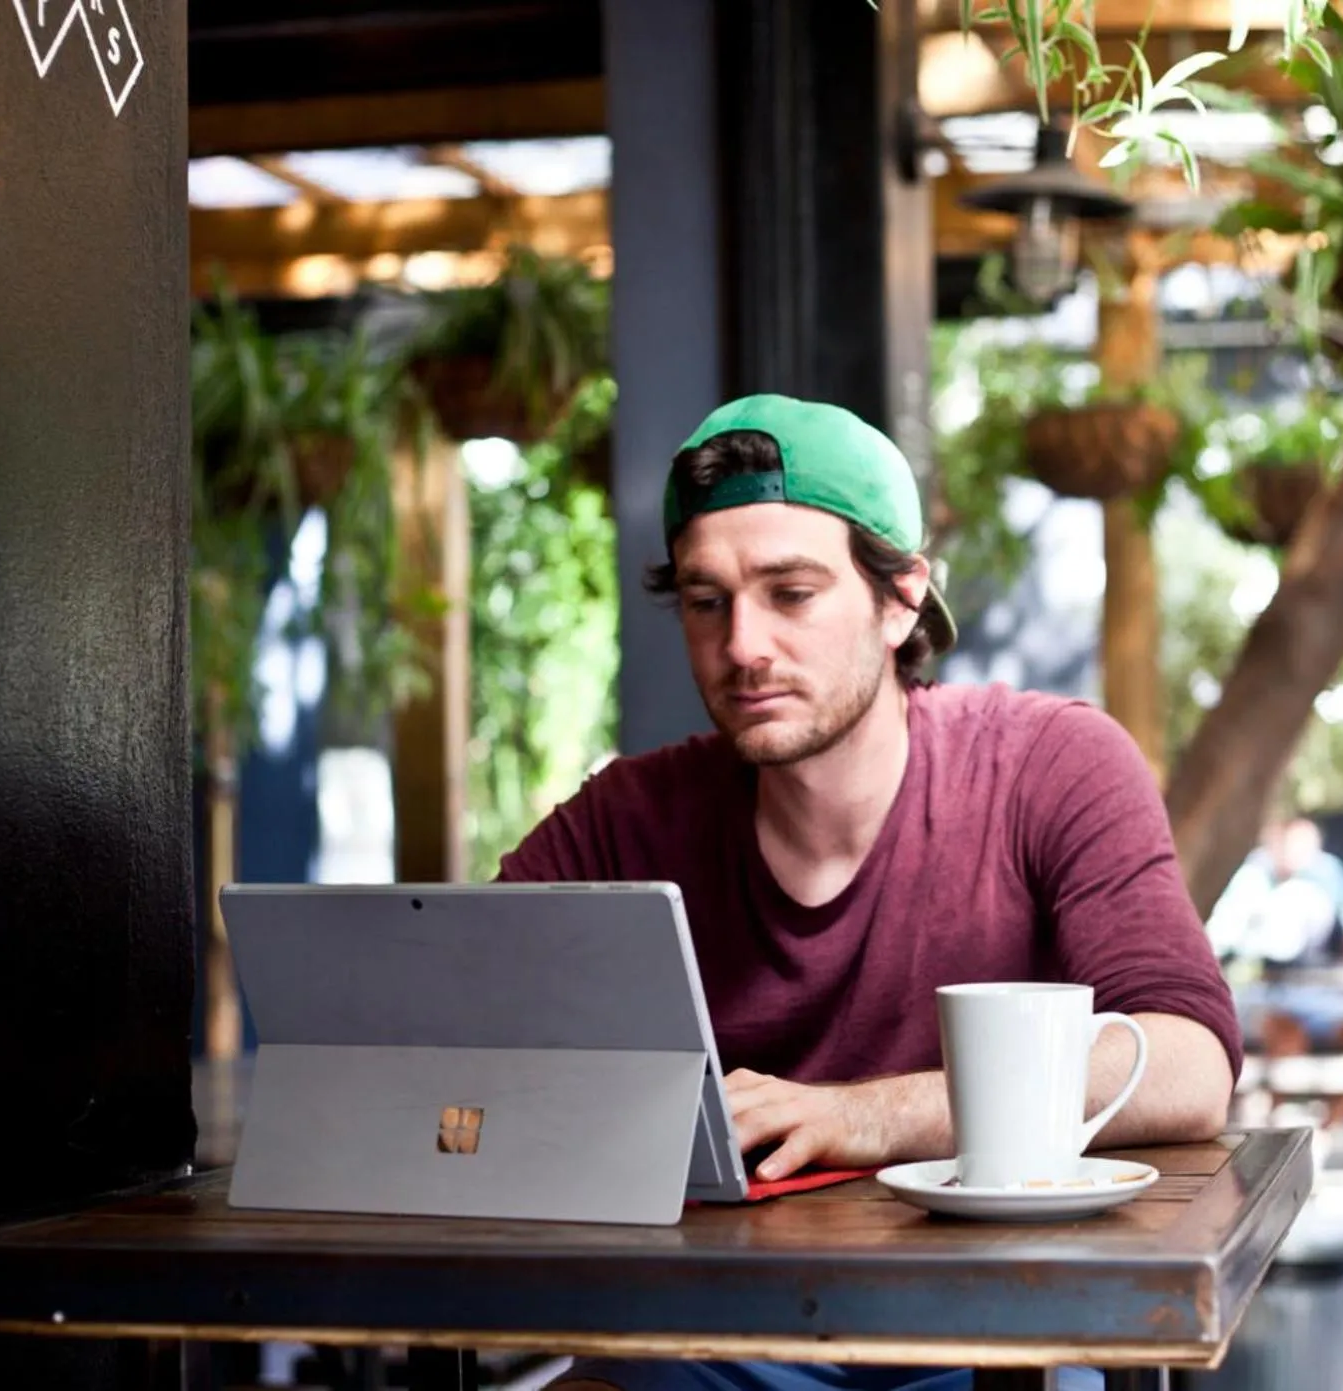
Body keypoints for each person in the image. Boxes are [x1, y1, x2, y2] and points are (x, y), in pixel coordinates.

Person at [497, 393, 1241, 1391]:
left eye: (790, 592)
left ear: (899, 601)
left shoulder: (1049, 763)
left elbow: (1190, 1063)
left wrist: (866, 1115)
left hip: (986, 1337)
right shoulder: (629, 815)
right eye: (706, 600)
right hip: (708, 1339)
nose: (742, 644)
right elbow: (460, 1013)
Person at [1208, 817, 1343, 1120]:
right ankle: (1271, 1124)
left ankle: (1328, 1129)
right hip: (1262, 989)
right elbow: (1219, 944)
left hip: (1317, 991)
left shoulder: (1328, 873)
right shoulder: (1251, 877)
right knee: (1286, 1035)